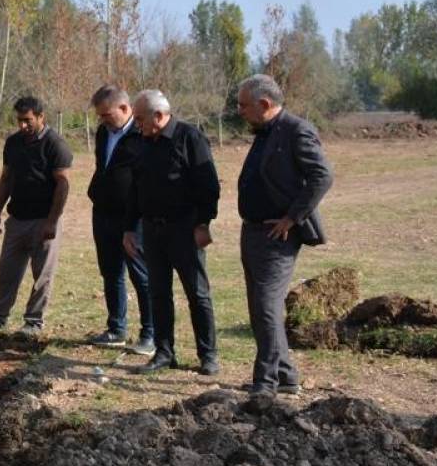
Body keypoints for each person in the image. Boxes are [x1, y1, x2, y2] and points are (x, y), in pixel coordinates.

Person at [235, 74, 333, 398]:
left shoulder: (296, 130)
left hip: (276, 236)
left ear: (265, 104)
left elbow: (322, 176)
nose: (239, 111)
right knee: (259, 308)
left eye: (244, 105)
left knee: (266, 308)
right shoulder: (264, 132)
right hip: (253, 231)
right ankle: (286, 376)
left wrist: (293, 217)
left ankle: (266, 383)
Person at [124, 90, 221, 376]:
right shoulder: (140, 143)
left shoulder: (190, 138)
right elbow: (135, 189)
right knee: (158, 293)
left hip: (185, 229)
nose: (136, 123)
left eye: (140, 118)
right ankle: (165, 352)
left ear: (158, 115)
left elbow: (209, 186)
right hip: (152, 231)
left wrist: (203, 223)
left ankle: (208, 355)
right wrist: (130, 227)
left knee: (197, 293)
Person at [0, 96, 72, 337]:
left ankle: (33, 321)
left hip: (44, 220)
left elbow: (63, 184)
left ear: (41, 117)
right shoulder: (13, 143)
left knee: (42, 275)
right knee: (6, 272)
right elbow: (6, 178)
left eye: (28, 121)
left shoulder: (55, 144)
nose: (23, 126)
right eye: (19, 120)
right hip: (17, 219)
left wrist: (52, 220)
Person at [85, 86, 155, 355]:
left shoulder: (143, 134)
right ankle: (116, 328)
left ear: (125, 109)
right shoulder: (103, 132)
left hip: (132, 217)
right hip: (103, 212)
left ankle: (150, 334)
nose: (102, 120)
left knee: (141, 275)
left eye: (106, 114)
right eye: (100, 116)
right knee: (111, 271)